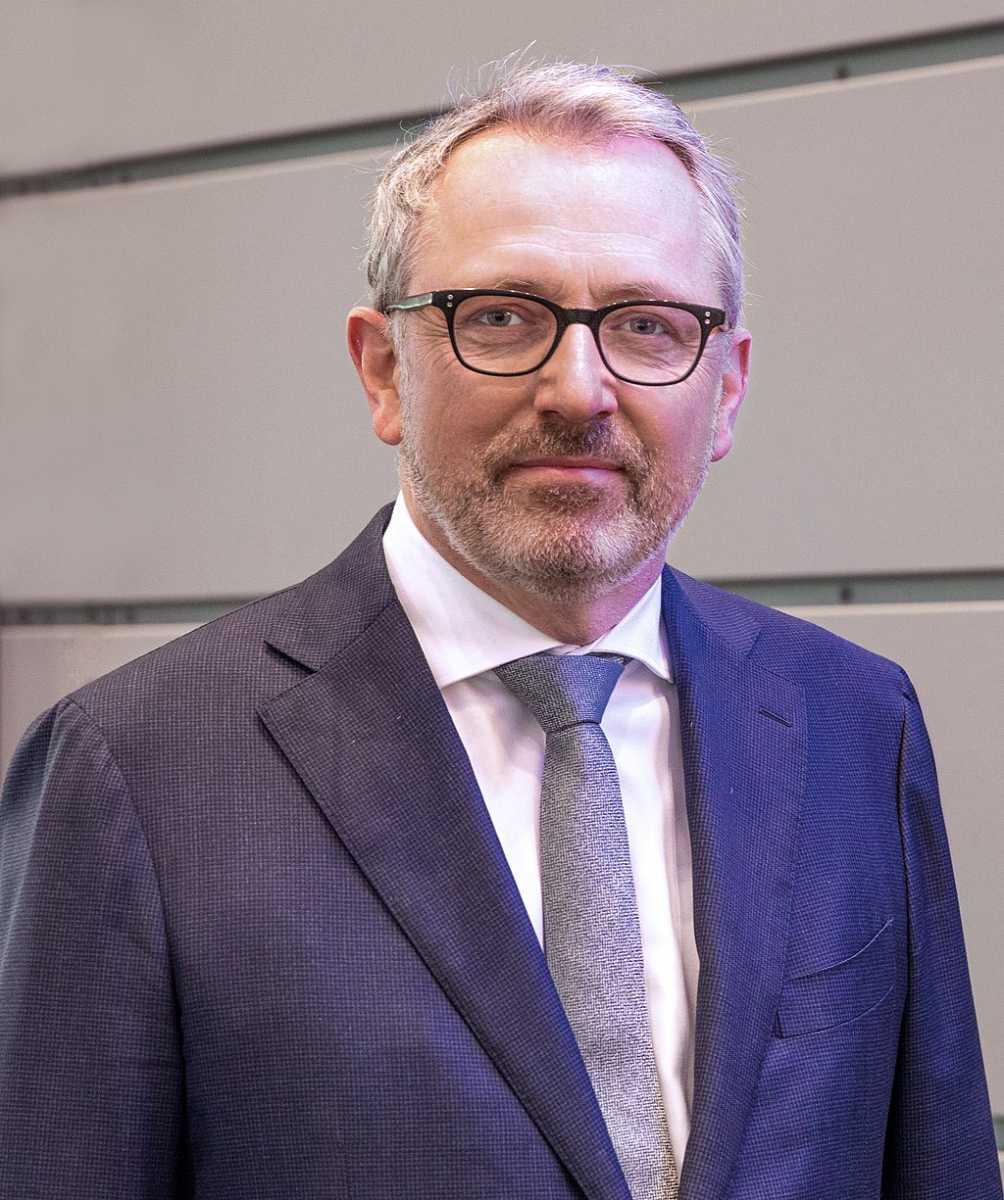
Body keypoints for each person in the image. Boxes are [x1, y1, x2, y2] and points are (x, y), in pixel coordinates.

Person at [0, 60, 999, 1200]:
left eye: (647, 325)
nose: (579, 389)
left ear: (724, 390)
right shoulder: (136, 770)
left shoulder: (854, 724)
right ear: (383, 370)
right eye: (503, 318)